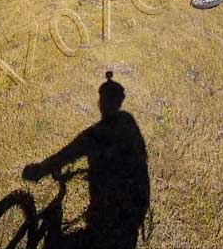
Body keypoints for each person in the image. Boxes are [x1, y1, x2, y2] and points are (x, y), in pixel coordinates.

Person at [23, 72, 150, 249]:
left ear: (101, 103)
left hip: (106, 229)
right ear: (120, 102)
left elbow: (66, 155)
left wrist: (38, 171)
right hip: (133, 222)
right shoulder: (128, 122)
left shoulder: (96, 134)